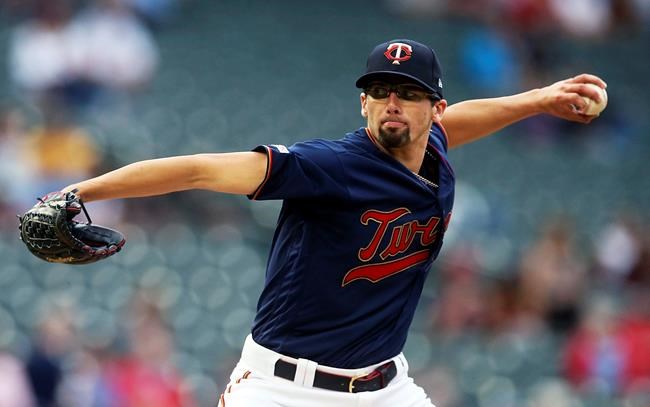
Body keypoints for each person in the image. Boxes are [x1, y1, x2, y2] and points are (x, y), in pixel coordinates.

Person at [57, 39, 606, 406]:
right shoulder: (331, 167)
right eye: (380, 91)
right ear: (362, 104)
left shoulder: (433, 146)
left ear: (433, 108)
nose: (393, 103)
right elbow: (200, 170)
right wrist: (81, 191)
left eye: (410, 94)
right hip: (281, 389)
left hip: (385, 387)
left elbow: (459, 123)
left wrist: (537, 99)